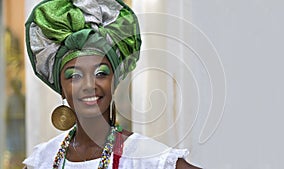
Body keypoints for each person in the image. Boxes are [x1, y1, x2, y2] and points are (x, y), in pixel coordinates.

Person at [23, 0, 202, 168]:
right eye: (74, 76)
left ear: (113, 82)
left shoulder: (145, 157)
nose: (88, 84)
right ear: (61, 88)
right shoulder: (44, 159)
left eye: (100, 73)